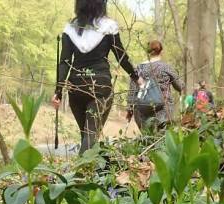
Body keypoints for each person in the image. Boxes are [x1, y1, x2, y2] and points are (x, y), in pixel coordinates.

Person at [52, 0, 138, 155]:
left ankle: (89, 171)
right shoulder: (109, 26)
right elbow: (121, 57)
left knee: (86, 136)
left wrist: (58, 91)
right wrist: (135, 76)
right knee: (90, 135)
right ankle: (81, 174)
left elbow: (64, 62)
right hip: (99, 87)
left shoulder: (70, 28)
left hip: (75, 87)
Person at [127, 40, 183, 132]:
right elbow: (180, 86)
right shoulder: (166, 67)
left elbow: (132, 90)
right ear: (161, 51)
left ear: (148, 52)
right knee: (162, 139)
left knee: (147, 138)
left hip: (142, 109)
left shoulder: (138, 68)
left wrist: (129, 108)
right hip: (164, 109)